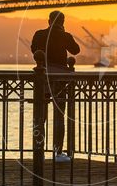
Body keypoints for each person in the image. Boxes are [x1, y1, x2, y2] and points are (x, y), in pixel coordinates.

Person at [30, 11, 80, 162]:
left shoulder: (39, 34)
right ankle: (58, 152)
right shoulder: (65, 36)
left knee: (40, 116)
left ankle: (39, 151)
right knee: (59, 116)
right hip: (60, 79)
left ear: (49, 20)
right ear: (63, 22)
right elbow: (76, 51)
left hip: (42, 79)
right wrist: (64, 35)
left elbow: (34, 50)